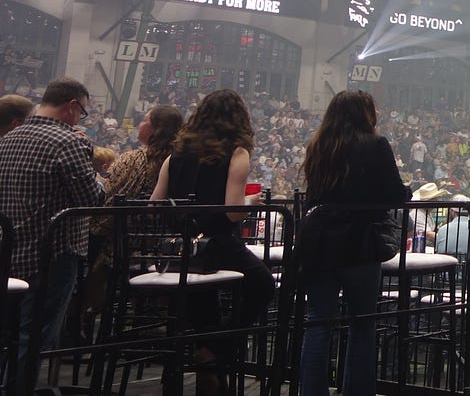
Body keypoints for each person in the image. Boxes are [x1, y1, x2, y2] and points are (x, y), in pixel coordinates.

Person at [151, 88, 275, 394]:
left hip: (178, 251)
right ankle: (214, 351)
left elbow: (155, 203)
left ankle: (210, 359)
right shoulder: (237, 152)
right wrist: (251, 200)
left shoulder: (175, 154)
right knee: (262, 283)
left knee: (204, 301)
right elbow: (232, 213)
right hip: (216, 244)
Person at [296, 91, 410, 396]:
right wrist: (408, 191)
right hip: (358, 240)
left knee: (318, 320)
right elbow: (394, 194)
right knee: (362, 322)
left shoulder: (319, 144)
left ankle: (311, 391)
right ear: (365, 114)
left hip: (318, 239)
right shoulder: (375, 145)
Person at [0, 78, 98, 393]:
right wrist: (95, 169)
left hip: (10, 251)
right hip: (54, 252)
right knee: (35, 335)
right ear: (72, 106)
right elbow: (90, 200)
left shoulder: (9, 138)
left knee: (6, 334)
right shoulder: (69, 141)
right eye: (82, 112)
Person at [85, 105, 183, 310]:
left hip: (125, 246)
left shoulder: (133, 160)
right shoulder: (181, 162)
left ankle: (86, 314)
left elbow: (107, 199)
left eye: (145, 120)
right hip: (168, 246)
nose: (140, 124)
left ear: (156, 129)